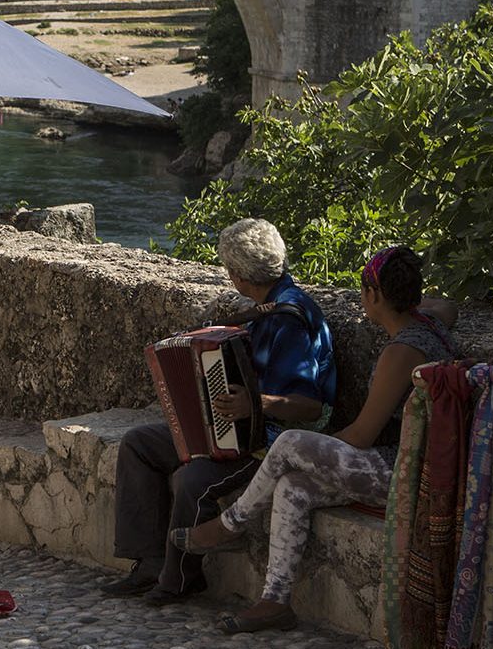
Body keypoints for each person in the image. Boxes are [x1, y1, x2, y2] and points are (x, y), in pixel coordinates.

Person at [173, 246, 461, 632]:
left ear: (373, 296)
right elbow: (447, 304)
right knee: (293, 487)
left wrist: (315, 451)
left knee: (291, 444)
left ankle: (231, 523)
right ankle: (275, 601)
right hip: (414, 461)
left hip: (406, 472)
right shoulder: (433, 323)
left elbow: (360, 436)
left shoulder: (401, 352)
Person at [103, 218, 336, 605]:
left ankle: (180, 579)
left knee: (194, 480)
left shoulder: (291, 321)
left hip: (270, 440)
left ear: (239, 276)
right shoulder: (264, 309)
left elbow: (309, 408)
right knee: (138, 444)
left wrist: (254, 404)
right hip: (234, 427)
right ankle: (149, 561)